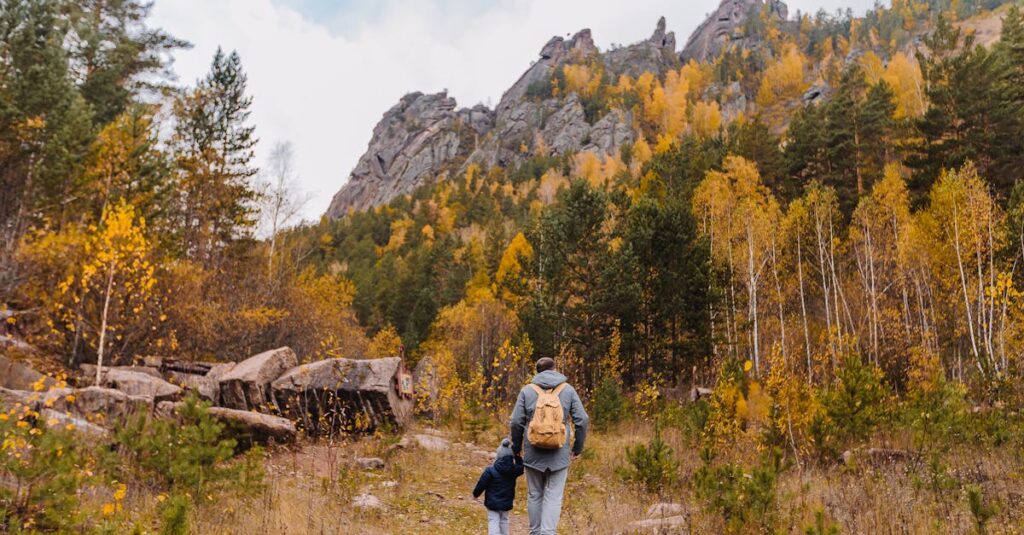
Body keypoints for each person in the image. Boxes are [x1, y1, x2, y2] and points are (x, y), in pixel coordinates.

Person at [509, 357, 589, 535]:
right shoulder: (567, 390)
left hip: (532, 452)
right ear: (555, 369)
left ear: (537, 372)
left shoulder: (527, 391)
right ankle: (547, 532)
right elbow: (582, 420)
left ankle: (535, 532)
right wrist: (577, 448)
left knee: (535, 494)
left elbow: (515, 422)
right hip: (560, 453)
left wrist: (516, 448)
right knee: (553, 496)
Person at [472, 437, 525, 535]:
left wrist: (476, 494)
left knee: (493, 520)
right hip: (506, 501)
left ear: (498, 456)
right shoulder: (514, 470)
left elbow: (481, 483)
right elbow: (522, 468)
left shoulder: (490, 470)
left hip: (492, 502)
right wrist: (517, 456)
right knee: (504, 520)